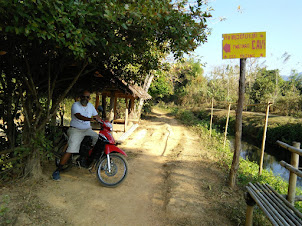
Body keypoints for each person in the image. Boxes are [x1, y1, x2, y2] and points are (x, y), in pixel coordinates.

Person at [52, 90, 101, 181]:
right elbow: (79, 116)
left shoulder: (90, 106)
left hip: (87, 130)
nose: (85, 99)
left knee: (99, 140)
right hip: (75, 130)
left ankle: (93, 163)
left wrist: (102, 121)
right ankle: (57, 171)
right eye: (83, 96)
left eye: (87, 97)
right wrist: (90, 119)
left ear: (89, 98)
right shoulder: (75, 105)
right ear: (80, 97)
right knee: (72, 148)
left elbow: (96, 116)